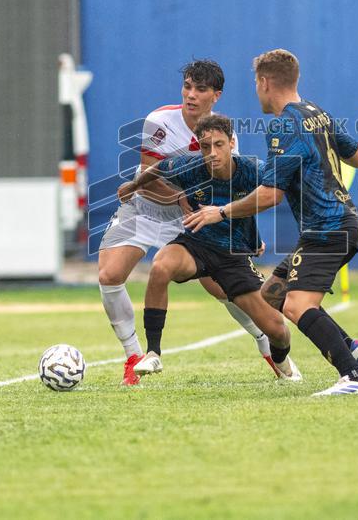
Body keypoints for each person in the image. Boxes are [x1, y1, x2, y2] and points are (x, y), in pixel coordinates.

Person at [184, 49, 358, 396]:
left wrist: (221, 211)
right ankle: (351, 347)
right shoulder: (318, 113)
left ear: (264, 81)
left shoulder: (284, 126)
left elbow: (271, 195)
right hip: (337, 223)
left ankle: (354, 377)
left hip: (327, 229)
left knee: (297, 306)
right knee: (272, 294)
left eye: (255, 83)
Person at [97, 60, 276, 386]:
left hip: (191, 217)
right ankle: (134, 358)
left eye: (201, 89)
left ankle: (269, 349)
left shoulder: (224, 137)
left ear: (216, 95)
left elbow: (232, 192)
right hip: (148, 209)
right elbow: (149, 179)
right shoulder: (159, 121)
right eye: (187, 87)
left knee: (225, 289)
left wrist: (252, 237)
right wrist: (184, 202)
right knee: (109, 275)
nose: (191, 95)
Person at [116, 114, 301, 380]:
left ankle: (281, 361)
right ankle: (153, 353)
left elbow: (276, 192)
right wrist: (132, 186)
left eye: (218, 145)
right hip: (196, 246)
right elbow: (156, 169)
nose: (211, 153)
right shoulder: (190, 167)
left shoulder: (253, 169)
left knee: (278, 331)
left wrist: (255, 238)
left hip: (233, 258)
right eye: (205, 147)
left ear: (232, 143)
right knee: (161, 266)